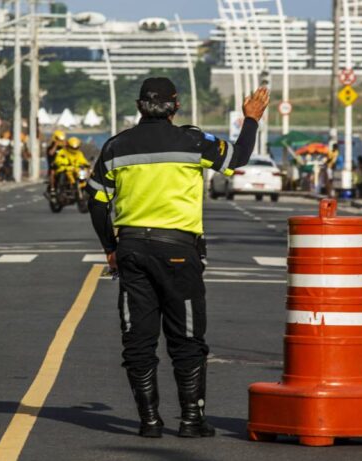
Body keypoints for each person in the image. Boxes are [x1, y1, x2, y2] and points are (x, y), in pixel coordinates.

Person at [86, 77, 269, 439]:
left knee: (138, 340)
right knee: (186, 338)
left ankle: (149, 421)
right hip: (179, 253)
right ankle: (191, 419)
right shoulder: (194, 142)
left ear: (139, 106)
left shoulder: (115, 147)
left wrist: (110, 247)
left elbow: (96, 203)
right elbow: (239, 157)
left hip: (133, 250)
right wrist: (251, 118)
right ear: (176, 107)